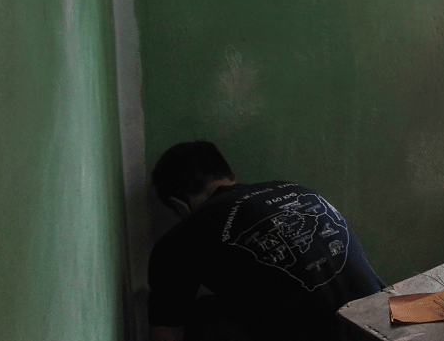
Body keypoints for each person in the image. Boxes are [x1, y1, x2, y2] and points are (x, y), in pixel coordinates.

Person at [147, 141, 384, 341]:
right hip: (381, 325)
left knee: (203, 312)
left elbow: (166, 331)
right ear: (231, 177)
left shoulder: (183, 234)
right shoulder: (297, 190)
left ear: (179, 205)